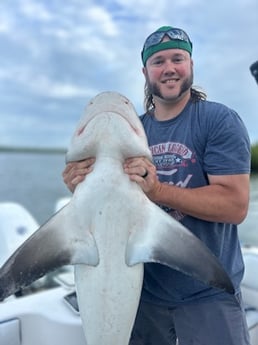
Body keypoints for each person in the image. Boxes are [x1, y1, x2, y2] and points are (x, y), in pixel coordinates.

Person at [62, 26, 251, 345]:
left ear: (191, 64)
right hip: (142, 297)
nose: (169, 68)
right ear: (145, 71)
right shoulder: (134, 129)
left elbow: (235, 207)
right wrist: (83, 192)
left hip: (207, 292)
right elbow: (112, 209)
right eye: (158, 61)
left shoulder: (218, 121)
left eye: (178, 58)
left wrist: (158, 191)